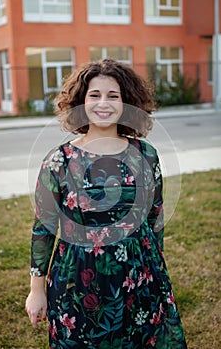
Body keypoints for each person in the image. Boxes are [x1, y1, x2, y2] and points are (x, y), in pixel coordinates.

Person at [26, 59, 187, 348]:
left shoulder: (146, 155)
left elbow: (155, 219)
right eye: (94, 95)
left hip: (140, 279)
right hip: (79, 281)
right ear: (80, 101)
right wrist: (36, 290)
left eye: (113, 96)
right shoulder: (59, 160)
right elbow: (44, 228)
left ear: (127, 103)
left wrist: (156, 274)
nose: (104, 103)